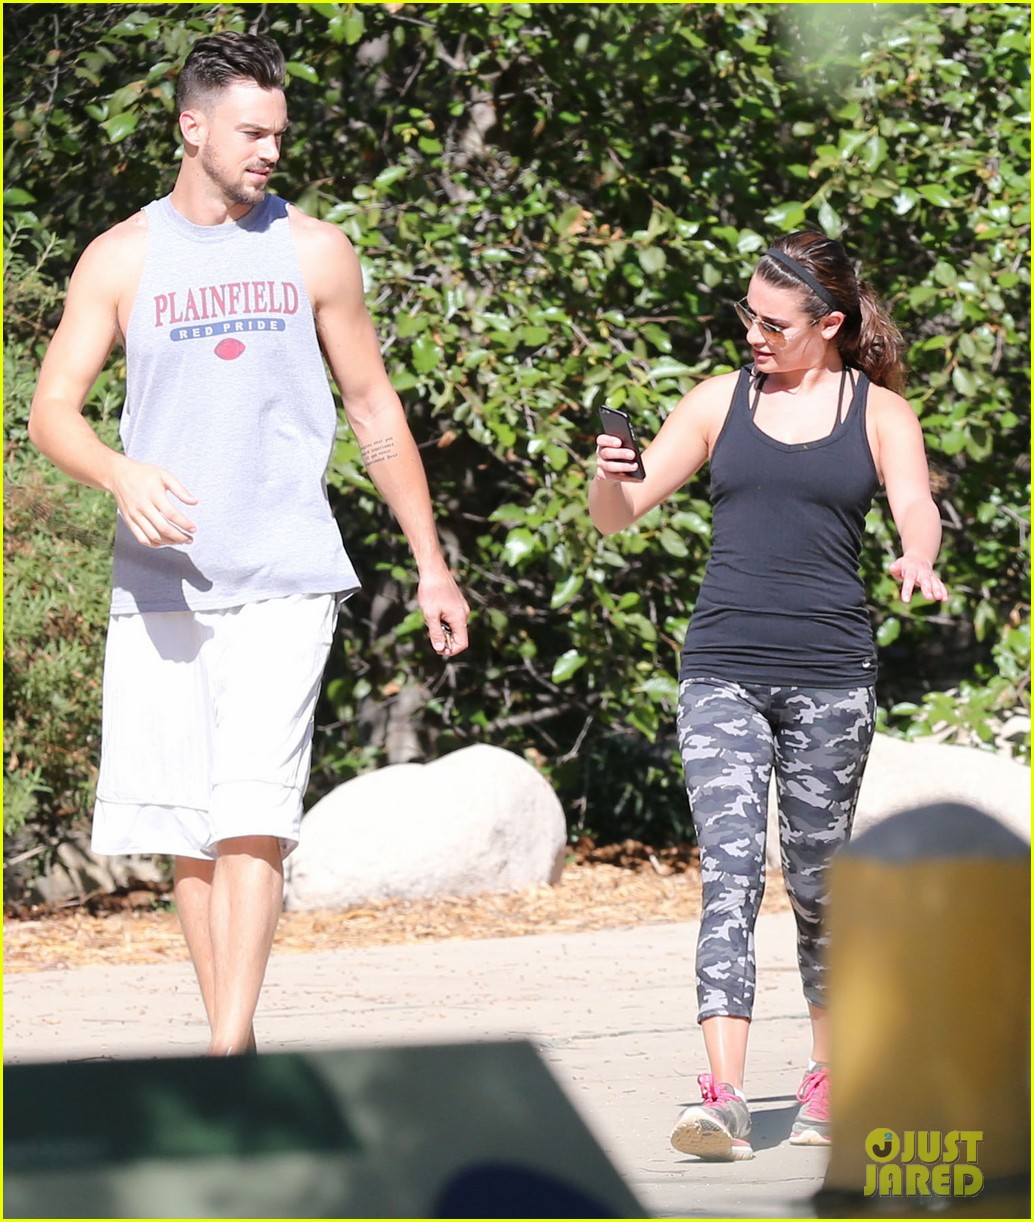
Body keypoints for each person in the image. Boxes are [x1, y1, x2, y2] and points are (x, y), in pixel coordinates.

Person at [28, 31, 470, 1056]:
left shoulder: (314, 250)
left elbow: (373, 411)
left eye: (279, 132)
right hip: (162, 584)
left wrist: (432, 563)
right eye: (251, 131)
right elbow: (54, 409)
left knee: (252, 816)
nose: (270, 149)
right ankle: (237, 1034)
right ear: (192, 128)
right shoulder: (122, 256)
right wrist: (119, 472)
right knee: (186, 836)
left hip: (284, 575)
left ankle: (225, 1058)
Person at [589, 231, 946, 1161]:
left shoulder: (878, 413)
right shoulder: (719, 402)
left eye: (773, 322)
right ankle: (725, 1095)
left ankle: (829, 1071)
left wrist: (918, 554)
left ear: (827, 324)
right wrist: (609, 474)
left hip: (832, 676)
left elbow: (914, 503)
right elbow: (620, 516)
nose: (753, 332)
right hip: (722, 670)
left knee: (822, 883)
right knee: (731, 874)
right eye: (747, 313)